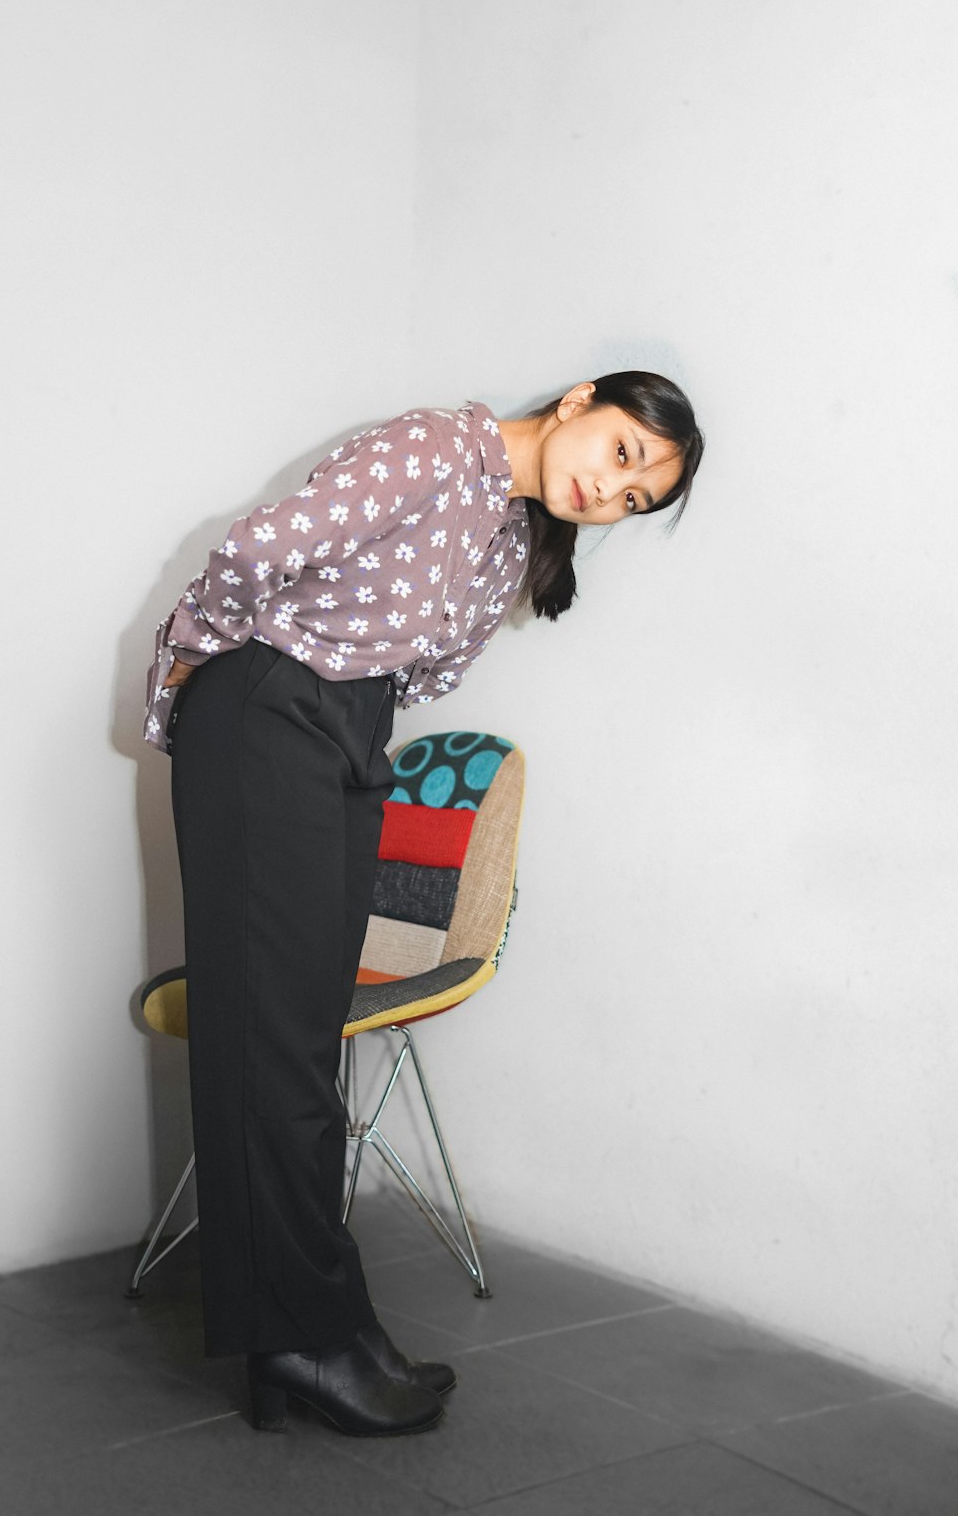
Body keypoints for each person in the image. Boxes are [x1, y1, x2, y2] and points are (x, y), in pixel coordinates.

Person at [143, 372, 704, 1436]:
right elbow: (261, 547)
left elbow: (423, 667)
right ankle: (301, 1339)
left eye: (634, 499)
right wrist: (203, 669)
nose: (608, 491)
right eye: (623, 453)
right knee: (274, 1044)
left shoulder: (509, 536)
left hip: (347, 732)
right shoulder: (438, 449)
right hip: (272, 711)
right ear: (580, 401)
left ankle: (325, 1327)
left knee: (305, 1040)